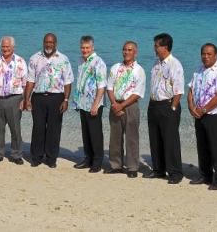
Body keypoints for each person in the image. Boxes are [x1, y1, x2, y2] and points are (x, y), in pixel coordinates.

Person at [24, 33, 74, 168]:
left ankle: (51, 158)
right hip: (38, 97)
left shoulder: (63, 59)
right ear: (43, 42)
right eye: (46, 42)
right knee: (38, 128)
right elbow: (30, 80)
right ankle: (36, 157)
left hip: (56, 98)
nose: (48, 45)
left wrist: (66, 100)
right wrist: (26, 99)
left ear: (55, 44)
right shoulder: (35, 58)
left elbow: (68, 82)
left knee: (54, 129)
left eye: (51, 42)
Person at [188, 43, 217, 190]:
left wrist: (204, 109)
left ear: (215, 56)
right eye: (203, 54)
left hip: (213, 115)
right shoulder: (198, 70)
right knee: (202, 146)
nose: (205, 56)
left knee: (216, 147)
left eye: (209, 54)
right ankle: (205, 175)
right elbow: (191, 90)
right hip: (199, 114)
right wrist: (191, 107)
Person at [146, 33, 184, 184]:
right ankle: (158, 169)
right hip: (154, 104)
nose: (154, 48)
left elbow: (179, 90)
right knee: (155, 139)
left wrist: (173, 107)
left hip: (168, 105)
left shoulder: (175, 64)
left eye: (156, 45)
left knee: (170, 140)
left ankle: (175, 172)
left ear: (165, 47)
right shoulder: (156, 64)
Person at [105, 41, 146, 178]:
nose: (126, 52)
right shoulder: (115, 67)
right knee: (115, 137)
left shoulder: (139, 70)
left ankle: (132, 167)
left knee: (132, 137)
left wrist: (121, 106)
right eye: (124, 49)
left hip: (130, 106)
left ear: (135, 52)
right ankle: (116, 165)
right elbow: (109, 87)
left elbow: (137, 93)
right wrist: (114, 104)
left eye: (129, 50)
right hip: (115, 104)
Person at [0, 36, 27, 165]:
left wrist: (24, 100)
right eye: (3, 46)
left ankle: (16, 154)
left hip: (15, 99)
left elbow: (26, 83)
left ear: (13, 47)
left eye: (8, 46)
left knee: (15, 129)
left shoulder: (20, 61)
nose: (5, 49)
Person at [70, 35, 107, 173]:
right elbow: (80, 82)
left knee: (95, 134)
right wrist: (77, 102)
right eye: (82, 47)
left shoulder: (99, 63)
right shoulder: (81, 61)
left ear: (92, 48)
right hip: (82, 102)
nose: (84, 50)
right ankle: (88, 158)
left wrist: (95, 105)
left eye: (87, 48)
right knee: (86, 133)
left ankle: (97, 162)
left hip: (93, 104)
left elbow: (102, 86)